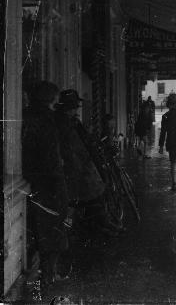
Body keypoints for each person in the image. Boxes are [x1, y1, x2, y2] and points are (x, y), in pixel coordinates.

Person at [22, 81, 71, 285]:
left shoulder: (27, 115)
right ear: (51, 98)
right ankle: (49, 274)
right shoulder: (48, 120)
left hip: (30, 179)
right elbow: (51, 156)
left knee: (39, 228)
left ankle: (43, 272)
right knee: (54, 226)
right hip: (49, 182)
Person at [54, 89, 117, 236]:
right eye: (74, 107)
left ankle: (99, 223)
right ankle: (93, 225)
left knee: (92, 194)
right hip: (76, 169)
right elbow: (73, 147)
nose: (76, 110)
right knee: (90, 194)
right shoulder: (64, 123)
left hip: (79, 166)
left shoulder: (70, 121)